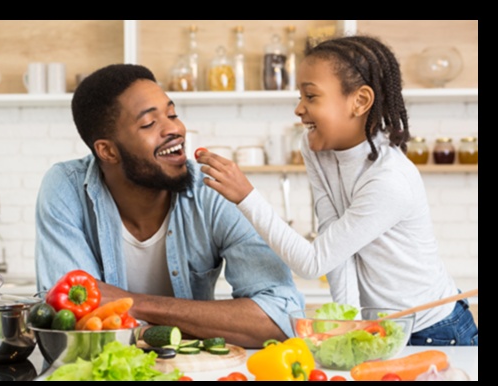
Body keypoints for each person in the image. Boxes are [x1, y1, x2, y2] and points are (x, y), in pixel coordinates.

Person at [196, 35, 477, 346]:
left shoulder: (389, 180)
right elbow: (335, 252)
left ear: (359, 101)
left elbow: (312, 263)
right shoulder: (317, 148)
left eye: (311, 96)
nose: (299, 109)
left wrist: (246, 197)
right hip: (383, 329)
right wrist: (349, 322)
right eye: (299, 96)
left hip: (435, 329)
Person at [35, 63, 304, 348]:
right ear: (108, 151)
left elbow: (281, 319)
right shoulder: (66, 188)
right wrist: (200, 323)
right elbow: (75, 326)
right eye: (149, 124)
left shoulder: (213, 190)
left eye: (172, 114)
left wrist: (134, 304)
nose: (175, 129)